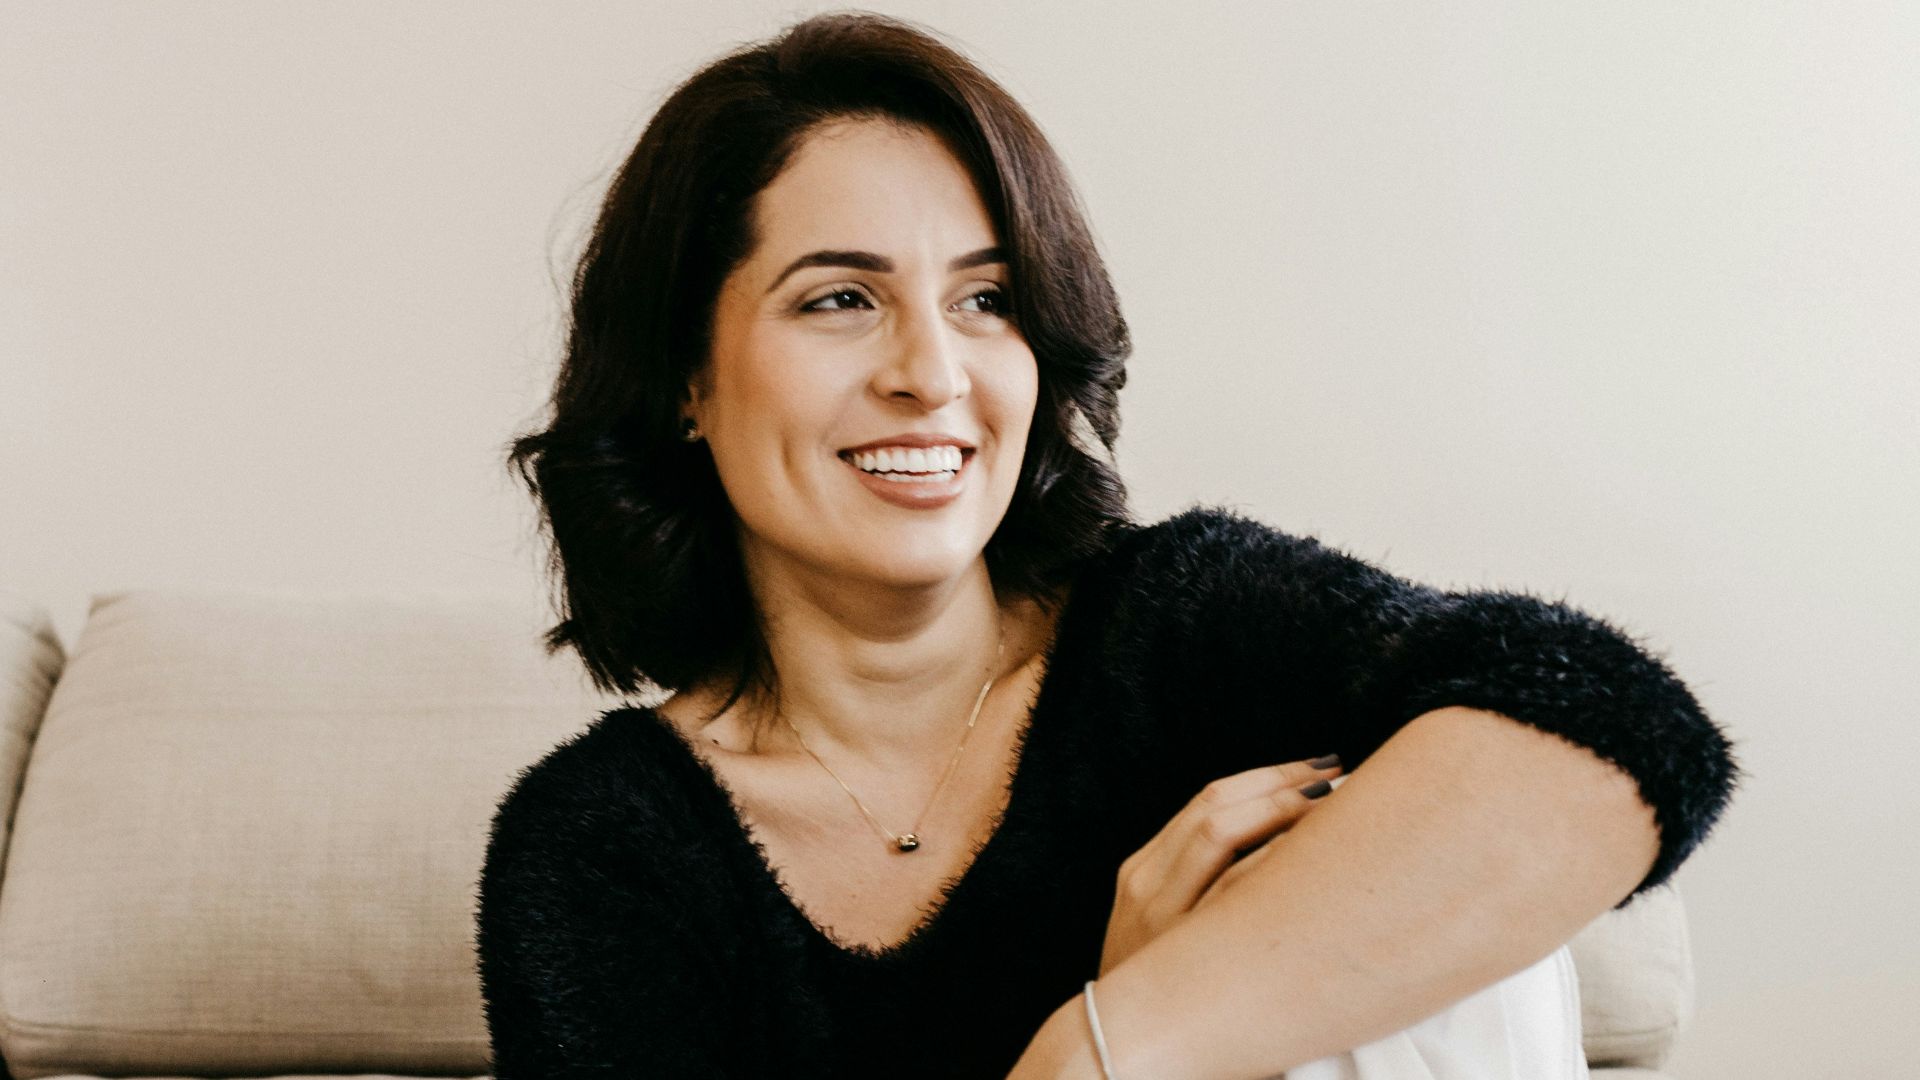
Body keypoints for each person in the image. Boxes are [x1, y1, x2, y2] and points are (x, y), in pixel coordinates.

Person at [476, 11, 1739, 1078]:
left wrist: (1124, 1035)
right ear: (686, 375)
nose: (934, 373)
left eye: (988, 301)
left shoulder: (1183, 628)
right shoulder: (606, 847)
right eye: (841, 300)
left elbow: (1619, 733)